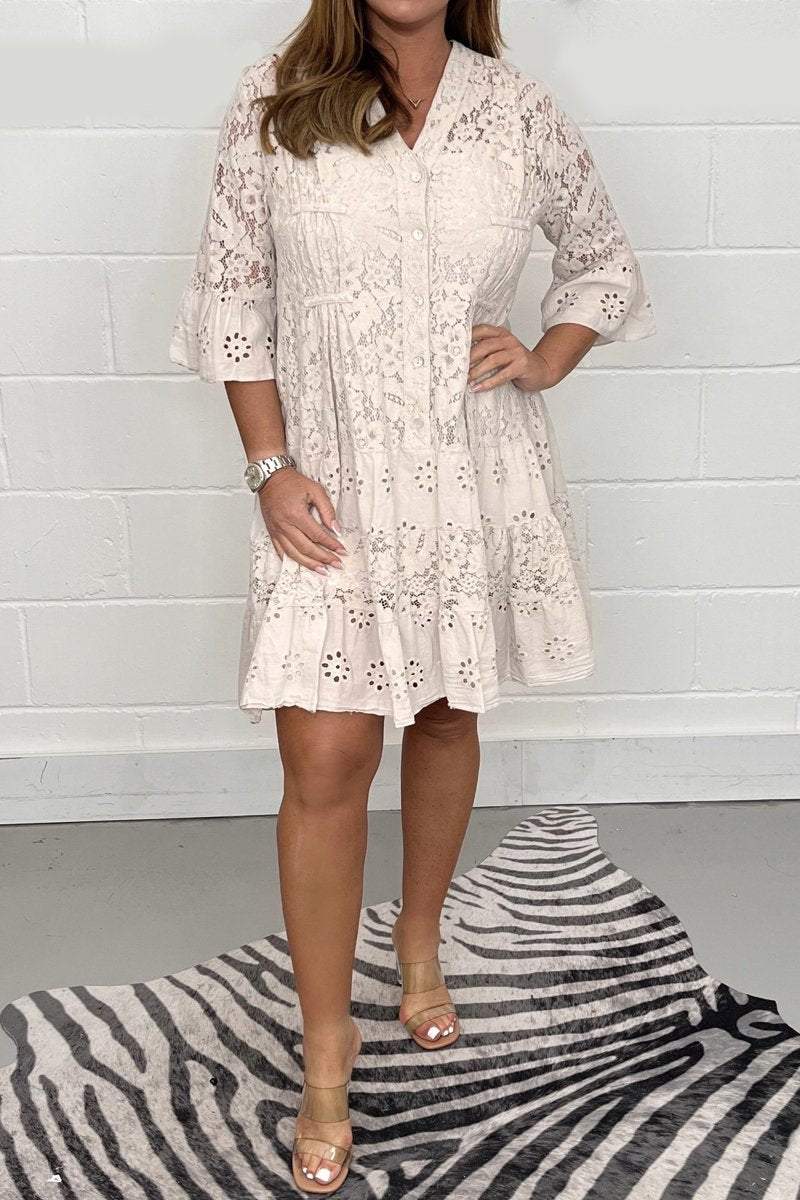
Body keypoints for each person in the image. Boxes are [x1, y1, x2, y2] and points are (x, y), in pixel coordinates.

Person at [168, 0, 655, 1190]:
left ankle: (420, 941)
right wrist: (268, 466)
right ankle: (325, 1052)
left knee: (443, 712)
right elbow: (232, 296)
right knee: (325, 756)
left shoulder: (516, 111)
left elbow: (604, 259)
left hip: (469, 471)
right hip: (328, 483)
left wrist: (544, 355)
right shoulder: (274, 100)